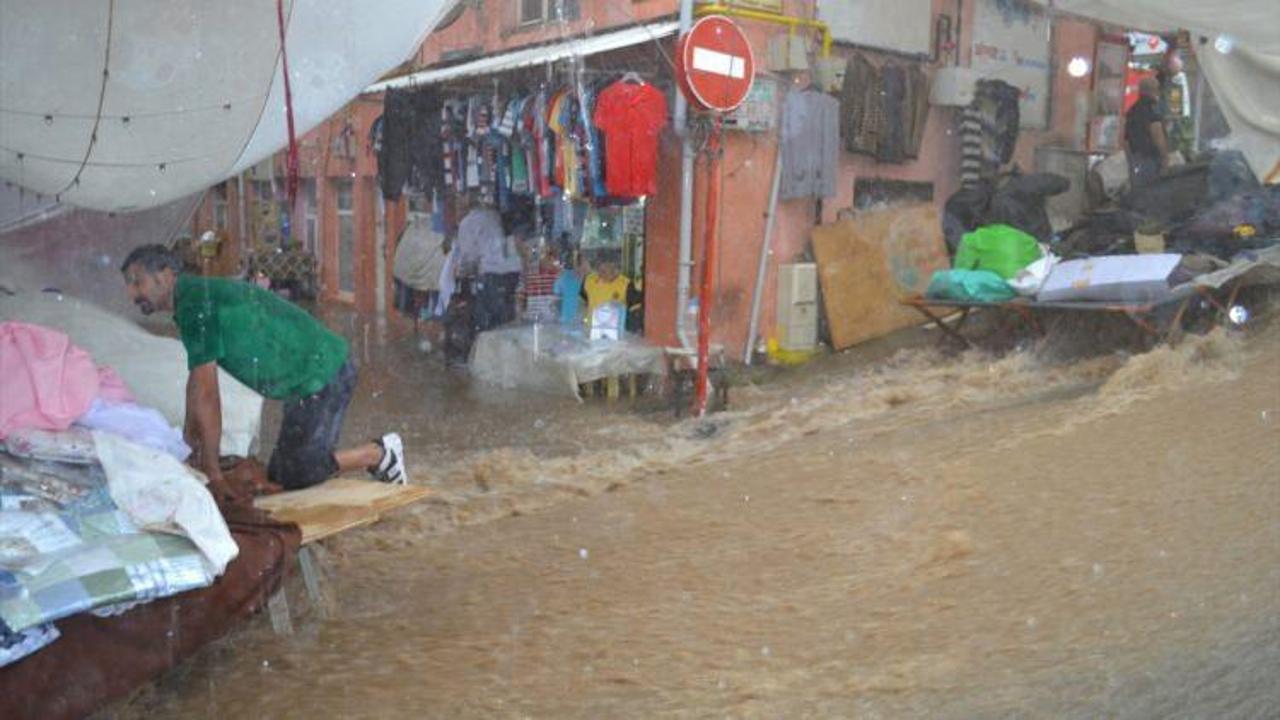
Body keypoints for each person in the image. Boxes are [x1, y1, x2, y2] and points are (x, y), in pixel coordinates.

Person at [120, 244, 407, 501]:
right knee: (281, 472)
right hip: (306, 377)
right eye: (129, 286)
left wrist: (213, 473)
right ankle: (359, 458)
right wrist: (189, 441)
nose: (131, 294)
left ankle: (379, 453)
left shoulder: (196, 303)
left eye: (137, 282)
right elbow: (196, 383)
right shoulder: (193, 298)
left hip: (322, 373)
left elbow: (207, 394)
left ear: (167, 274)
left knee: (297, 474)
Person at [1125, 77, 1169, 188]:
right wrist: (1165, 160)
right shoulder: (1153, 108)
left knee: (1139, 190)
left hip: (1136, 158)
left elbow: (1126, 138)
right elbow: (1157, 135)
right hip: (1151, 159)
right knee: (1153, 191)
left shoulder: (1133, 110)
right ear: (1154, 90)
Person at [553, 251, 586, 331]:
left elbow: (556, 297)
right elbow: (556, 299)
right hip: (574, 316)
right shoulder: (581, 276)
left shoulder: (561, 276)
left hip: (568, 316)